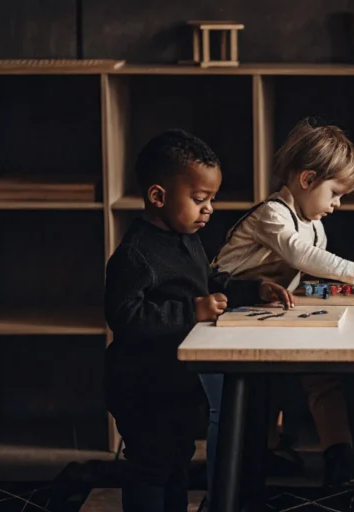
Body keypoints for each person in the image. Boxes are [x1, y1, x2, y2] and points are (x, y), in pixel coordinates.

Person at [104, 129, 290, 512]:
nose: (209, 209)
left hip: (178, 381)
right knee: (150, 467)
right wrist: (193, 312)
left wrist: (254, 290)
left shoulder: (186, 239)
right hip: (141, 385)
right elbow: (125, 317)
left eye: (211, 200)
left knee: (177, 461)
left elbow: (209, 284)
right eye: (199, 199)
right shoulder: (136, 255)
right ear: (158, 196)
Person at [202, 119, 354, 491]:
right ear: (307, 180)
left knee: (321, 372)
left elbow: (313, 270)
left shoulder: (314, 223)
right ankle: (248, 461)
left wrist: (346, 292)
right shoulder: (271, 215)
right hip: (225, 303)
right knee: (250, 386)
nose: (336, 205)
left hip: (266, 306)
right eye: (335, 193)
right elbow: (300, 255)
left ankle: (338, 453)